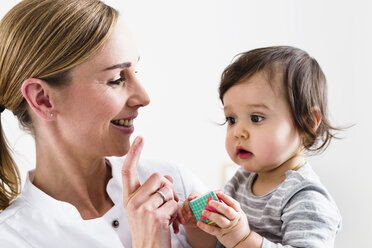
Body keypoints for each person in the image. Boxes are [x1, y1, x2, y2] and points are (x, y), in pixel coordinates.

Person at [0, 0, 203, 247]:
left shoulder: (176, 185)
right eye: (117, 79)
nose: (144, 98)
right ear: (42, 99)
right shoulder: (12, 238)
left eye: (134, 73)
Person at [178, 46, 342, 248]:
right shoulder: (240, 182)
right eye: (231, 119)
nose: (238, 131)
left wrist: (243, 240)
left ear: (307, 122)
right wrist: (199, 226)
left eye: (256, 118)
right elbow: (215, 245)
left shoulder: (306, 197)